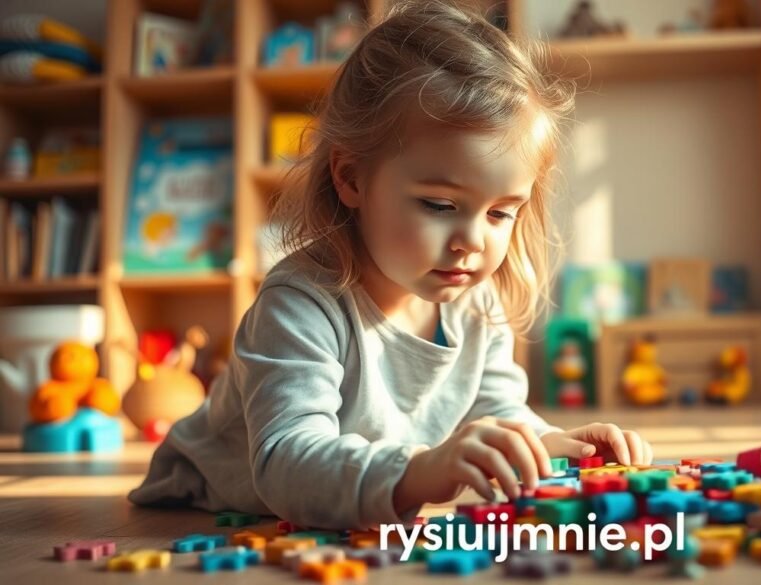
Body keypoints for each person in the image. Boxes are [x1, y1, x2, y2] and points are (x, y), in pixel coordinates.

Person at [129, 0, 653, 531]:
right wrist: (418, 473)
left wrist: (551, 444)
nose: (471, 240)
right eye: (440, 206)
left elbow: (495, 411)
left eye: (499, 213)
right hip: (221, 492)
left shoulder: (476, 299)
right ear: (352, 179)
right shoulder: (299, 304)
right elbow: (286, 461)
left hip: (341, 502)